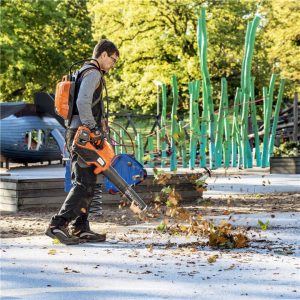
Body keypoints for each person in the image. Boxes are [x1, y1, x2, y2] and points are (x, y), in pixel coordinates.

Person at [46, 39, 119, 245]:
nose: (112, 65)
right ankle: (57, 225)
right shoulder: (93, 73)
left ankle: (80, 226)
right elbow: (82, 102)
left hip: (75, 131)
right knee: (83, 182)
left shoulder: (81, 71)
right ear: (103, 55)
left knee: (87, 180)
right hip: (83, 134)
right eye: (113, 60)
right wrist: (92, 128)